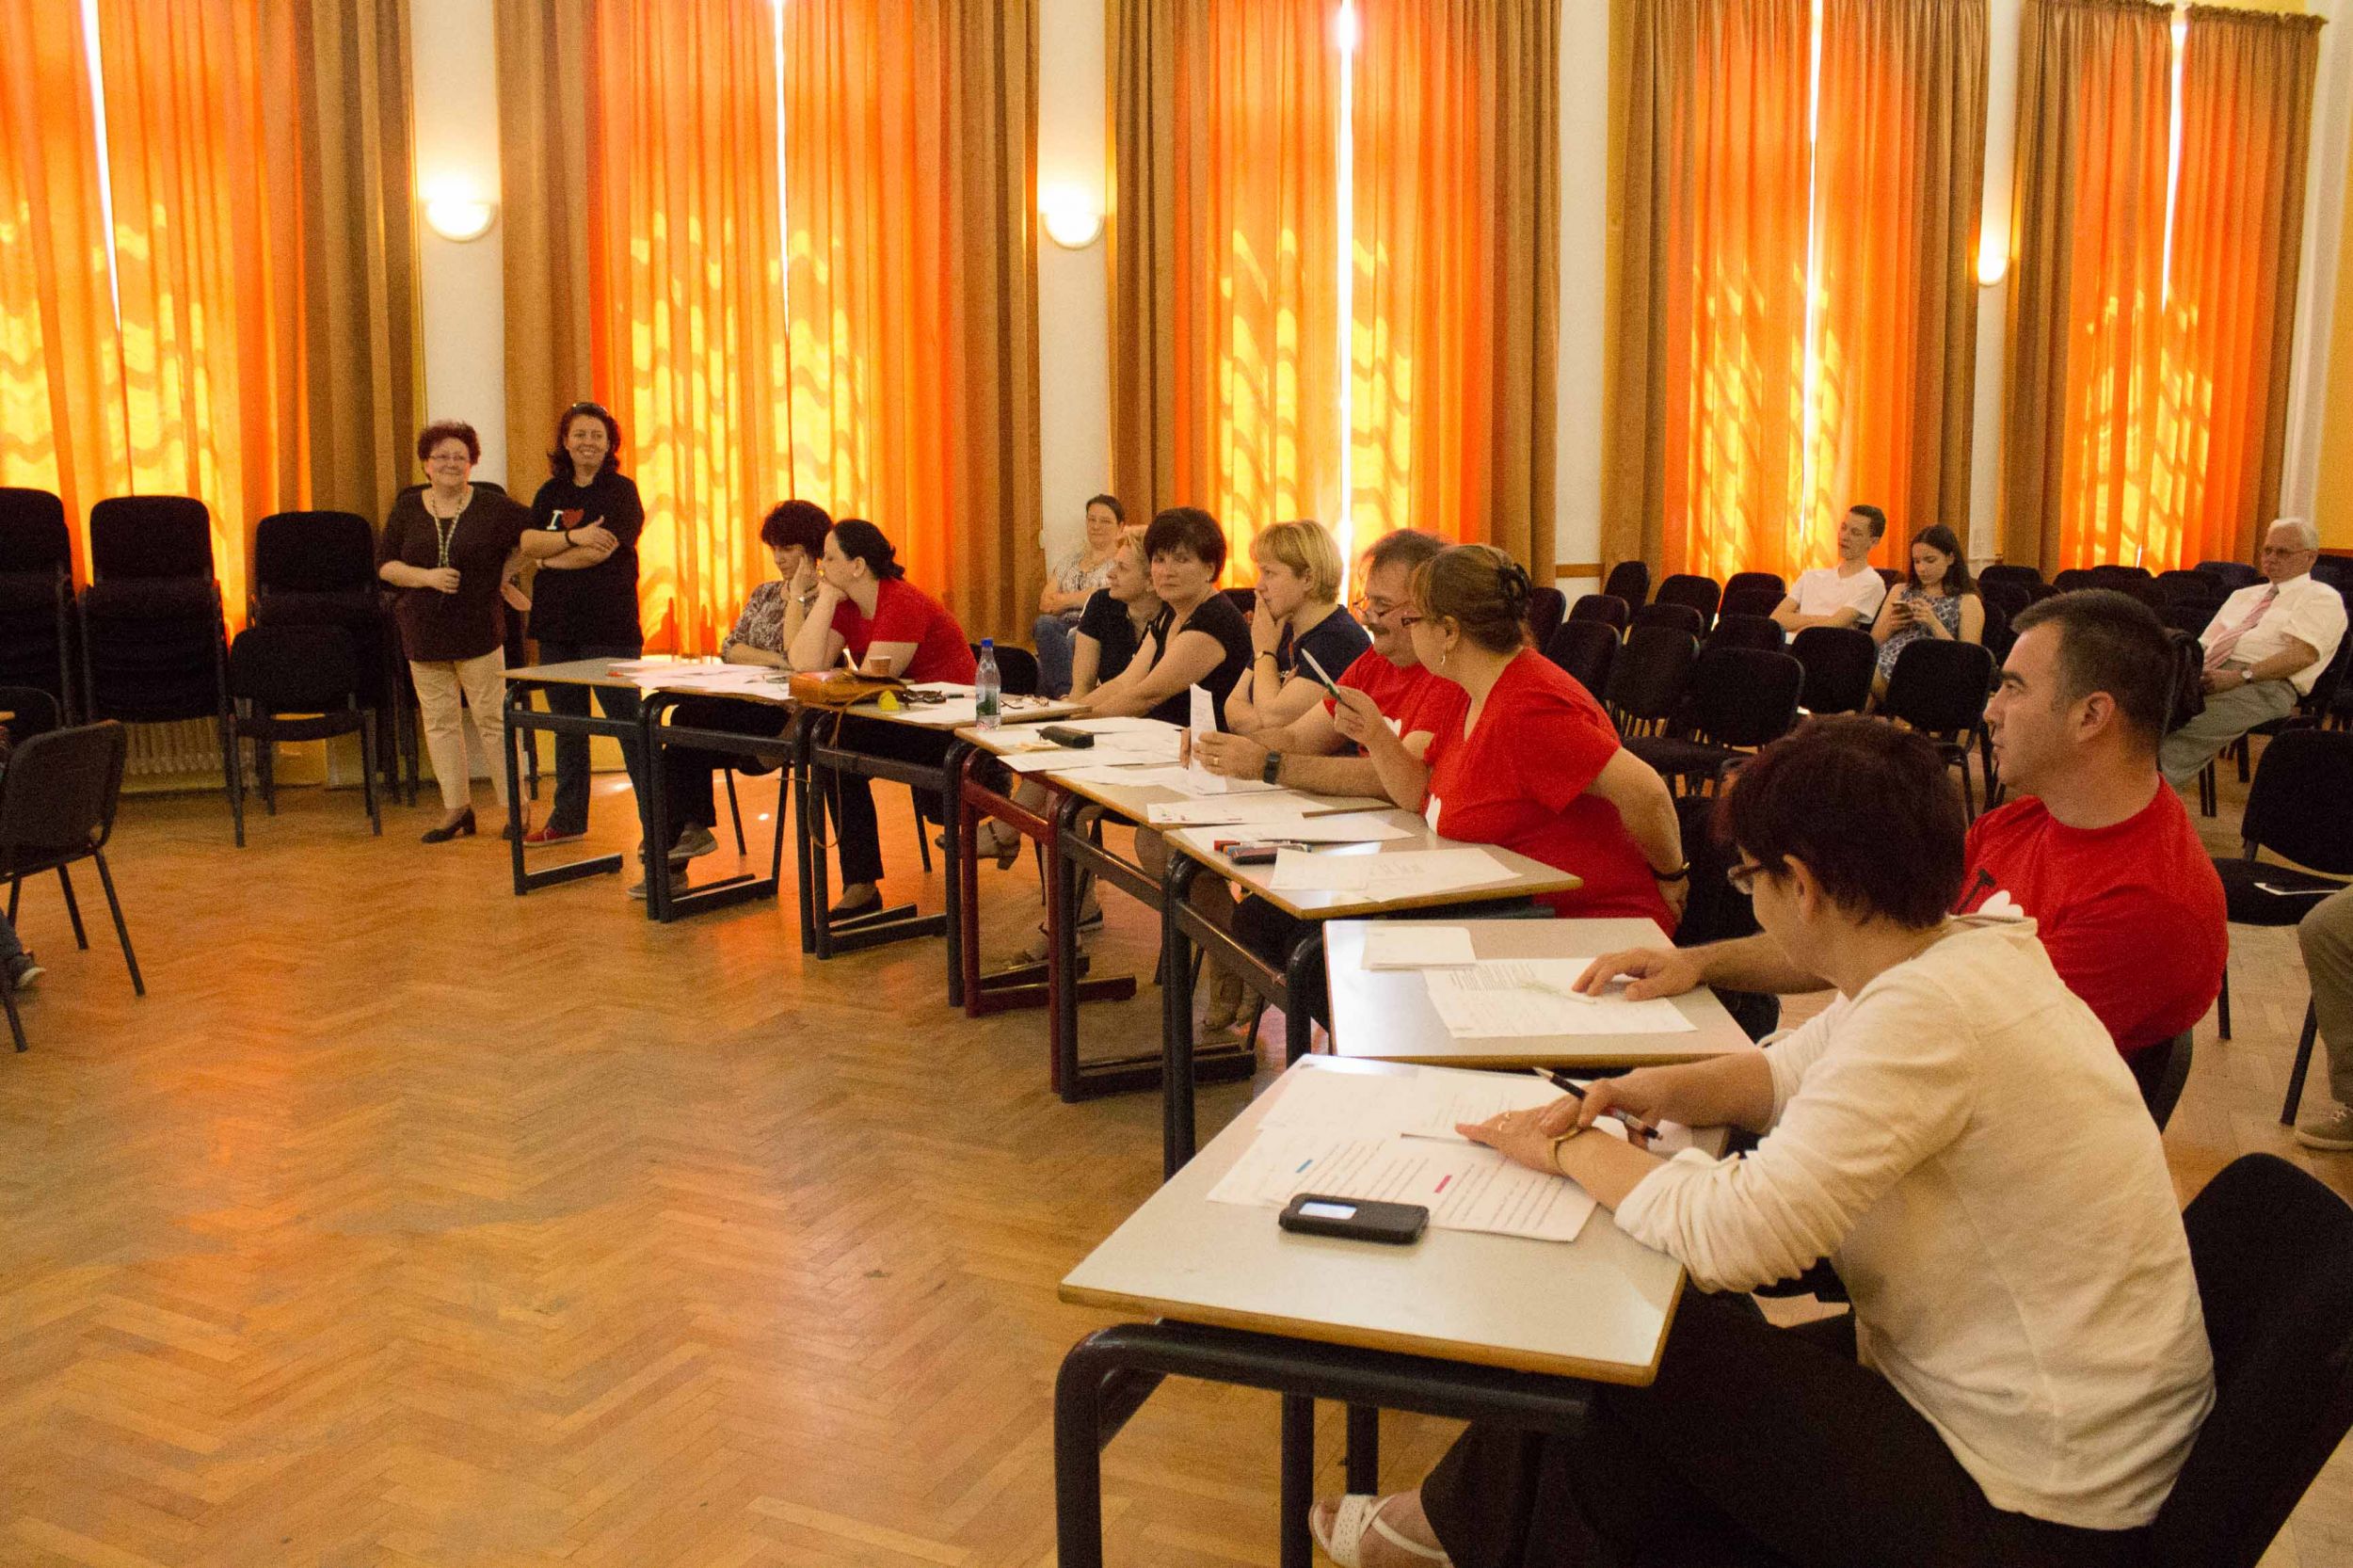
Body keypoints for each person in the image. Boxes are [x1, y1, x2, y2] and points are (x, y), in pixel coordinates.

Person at [1313, 718, 2214, 1568]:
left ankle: (1454, 1530)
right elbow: (1782, 1076)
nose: (1753, 901)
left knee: (1636, 1337)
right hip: (2040, 1422)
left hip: (2032, 1501)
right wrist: (1642, 1090)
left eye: (1750, 882)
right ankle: (1468, 1530)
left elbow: (1738, 1239)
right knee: (1629, 1383)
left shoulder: (1929, 1013)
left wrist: (1566, 1150)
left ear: (1802, 886)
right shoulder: (1962, 956)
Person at [1580, 590, 2226, 1060]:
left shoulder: (2144, 904)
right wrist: (1696, 964)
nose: (1991, 711)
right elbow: (1874, 941)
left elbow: (1967, 1060)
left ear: (2091, 716)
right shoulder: (2019, 824)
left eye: (2013, 688)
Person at [1346, 544, 1686, 928]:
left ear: (1449, 632)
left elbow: (1646, 791)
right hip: (1512, 913)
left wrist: (1673, 875)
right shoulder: (1470, 691)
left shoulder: (1528, 709)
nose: (1409, 632)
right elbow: (1420, 795)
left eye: (1412, 621)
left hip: (1591, 922)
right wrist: (1374, 733)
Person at [378, 421, 575, 842]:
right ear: (426, 464)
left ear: (472, 463)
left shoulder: (493, 507)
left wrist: (504, 572)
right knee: (439, 722)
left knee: (493, 720)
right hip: (423, 630)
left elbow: (537, 537)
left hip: (478, 629)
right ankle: (456, 808)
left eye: (460, 457)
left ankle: (516, 807)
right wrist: (426, 578)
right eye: (441, 457)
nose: (451, 464)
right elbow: (386, 566)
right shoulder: (407, 507)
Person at [785, 519, 976, 923]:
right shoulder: (847, 605)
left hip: (951, 730)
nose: (821, 566)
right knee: (827, 740)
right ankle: (861, 884)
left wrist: (833, 680)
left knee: (830, 734)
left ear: (857, 566)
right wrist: (824, 599)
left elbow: (873, 680)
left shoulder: (900, 600)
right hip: (905, 718)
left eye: (830, 558)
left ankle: (862, 883)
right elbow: (803, 663)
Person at [639, 500, 833, 899]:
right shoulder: (765, 593)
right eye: (774, 548)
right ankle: (684, 842)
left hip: (783, 716)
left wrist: (797, 601)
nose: (778, 558)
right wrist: (778, 660)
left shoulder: (827, 598)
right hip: (742, 702)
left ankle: (674, 853)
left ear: (812, 549)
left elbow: (802, 659)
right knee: (679, 727)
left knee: (685, 727)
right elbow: (731, 647)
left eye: (788, 548)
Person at [1191, 528, 1457, 796]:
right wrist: (1216, 745)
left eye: (1382, 605)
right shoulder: (1374, 662)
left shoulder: (1449, 675)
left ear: (1429, 608)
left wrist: (1269, 765)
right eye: (1368, 601)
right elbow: (1297, 738)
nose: (1367, 617)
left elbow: (1395, 779)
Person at [520, 401, 651, 849]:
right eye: (580, 434)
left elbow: (601, 552)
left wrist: (547, 560)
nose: (588, 442)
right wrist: (573, 536)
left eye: (597, 435)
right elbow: (527, 541)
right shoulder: (550, 491)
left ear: (610, 443)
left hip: (610, 628)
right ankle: (568, 819)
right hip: (556, 627)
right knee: (568, 726)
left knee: (629, 727)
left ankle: (658, 826)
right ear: (565, 441)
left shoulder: (621, 492)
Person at [2160, 517, 2347, 791]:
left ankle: (2137, 805)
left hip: (2264, 685)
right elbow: (2204, 645)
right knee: (2136, 720)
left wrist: (2240, 676)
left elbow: (2303, 655)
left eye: (2282, 552)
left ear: (2310, 557)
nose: (2271, 558)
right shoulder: (2243, 596)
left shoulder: (2321, 597)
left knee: (2182, 734)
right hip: (2207, 674)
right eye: (2267, 550)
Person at [1072, 507, 1253, 727]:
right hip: (1160, 738)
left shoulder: (1215, 619)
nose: (1167, 571)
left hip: (1201, 744)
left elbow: (1147, 696)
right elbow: (1124, 683)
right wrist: (1065, 714)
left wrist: (1071, 723)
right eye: (1159, 559)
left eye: (1181, 560)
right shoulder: (1170, 614)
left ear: (1209, 568)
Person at [1223, 519, 1369, 735]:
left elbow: (1272, 718)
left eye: (1269, 573)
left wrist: (1265, 653)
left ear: (1308, 579)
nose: (1259, 586)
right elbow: (1232, 709)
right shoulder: (1282, 628)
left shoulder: (1339, 639)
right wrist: (1270, 714)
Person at [1870, 522, 1982, 698]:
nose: (1922, 569)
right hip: (1885, 661)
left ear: (1950, 558)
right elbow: (1872, 643)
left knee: (1860, 671)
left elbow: (1969, 661)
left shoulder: (1967, 601)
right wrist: (1891, 626)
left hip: (1927, 670)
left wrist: (1933, 623)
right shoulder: (1900, 590)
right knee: (1860, 680)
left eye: (1930, 560)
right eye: (1917, 561)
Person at [1033, 494, 1125, 696]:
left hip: (1097, 628)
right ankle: (1067, 696)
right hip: (1060, 627)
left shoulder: (1121, 563)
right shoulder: (1069, 561)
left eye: (1105, 521)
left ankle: (1065, 696)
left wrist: (1065, 600)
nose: (1096, 526)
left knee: (1074, 640)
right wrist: (1085, 597)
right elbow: (1046, 604)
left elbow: (1109, 597)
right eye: (1092, 519)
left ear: (1120, 528)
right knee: (1044, 624)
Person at [1068, 527, 1159, 699]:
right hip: (1107, 710)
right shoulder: (1101, 603)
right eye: (1114, 564)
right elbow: (1081, 687)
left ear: (1151, 582)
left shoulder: (1172, 615)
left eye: (1122, 568)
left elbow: (1145, 696)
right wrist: (1070, 713)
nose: (1110, 574)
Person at [1769, 504, 1890, 632]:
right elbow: (1776, 619)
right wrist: (1823, 619)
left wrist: (1796, 622)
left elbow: (1830, 628)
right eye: (1843, 528)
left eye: (1855, 533)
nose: (1844, 537)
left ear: (1873, 542)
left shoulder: (1872, 583)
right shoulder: (1810, 576)